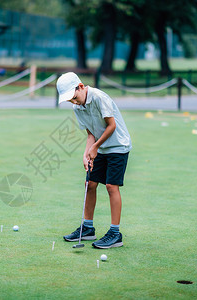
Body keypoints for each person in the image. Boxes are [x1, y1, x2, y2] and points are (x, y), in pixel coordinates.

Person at [57, 72, 132, 249]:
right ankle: (88, 228)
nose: (73, 102)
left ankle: (115, 233)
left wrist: (95, 148)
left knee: (111, 186)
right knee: (90, 184)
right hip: (101, 146)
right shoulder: (78, 107)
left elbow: (111, 126)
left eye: (74, 97)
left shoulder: (99, 97)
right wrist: (86, 153)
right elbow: (91, 133)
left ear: (81, 87)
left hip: (118, 146)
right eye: (70, 101)